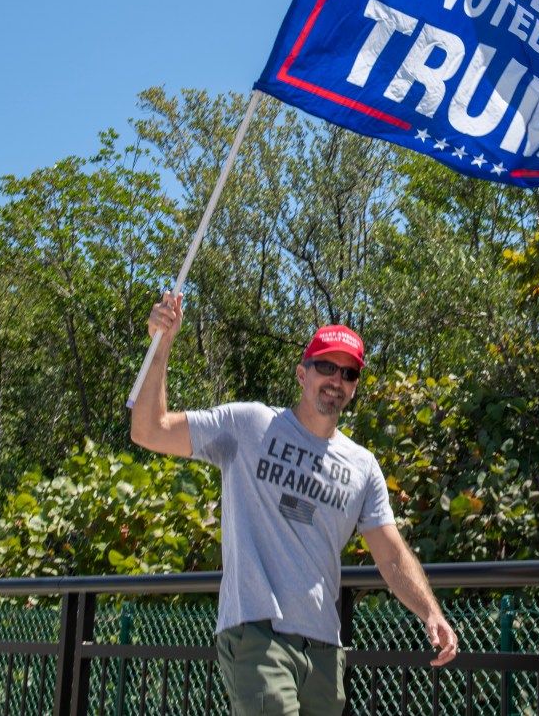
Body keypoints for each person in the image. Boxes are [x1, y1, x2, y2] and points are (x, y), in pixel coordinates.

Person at [131, 291, 458, 716]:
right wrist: (162, 344)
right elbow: (150, 431)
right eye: (326, 366)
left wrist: (430, 612)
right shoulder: (249, 425)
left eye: (348, 372)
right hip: (258, 634)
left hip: (324, 648)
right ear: (302, 374)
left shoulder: (362, 465)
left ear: (355, 387)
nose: (336, 379)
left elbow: (392, 556)